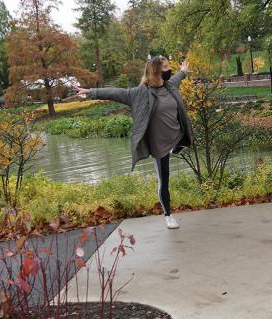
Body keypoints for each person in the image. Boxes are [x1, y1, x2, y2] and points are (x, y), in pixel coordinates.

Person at [74, 56, 192, 229]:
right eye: (166, 68)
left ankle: (177, 145)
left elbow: (177, 77)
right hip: (158, 143)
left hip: (175, 134)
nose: (169, 71)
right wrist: (91, 92)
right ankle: (168, 215)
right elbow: (116, 93)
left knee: (187, 136)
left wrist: (183, 72)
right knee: (164, 179)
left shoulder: (170, 86)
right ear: (156, 71)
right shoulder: (139, 93)